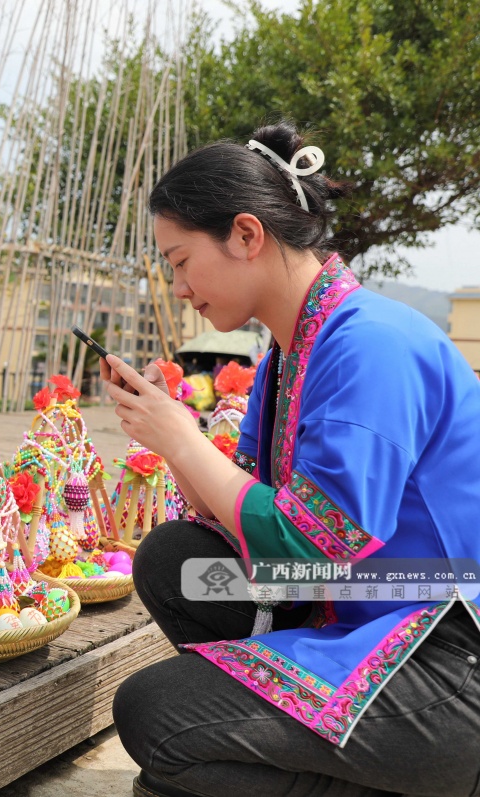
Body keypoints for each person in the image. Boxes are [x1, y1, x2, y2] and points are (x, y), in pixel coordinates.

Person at [103, 121, 480, 797]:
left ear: (247, 235)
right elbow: (253, 515)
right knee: (178, 563)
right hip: (364, 604)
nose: (180, 287)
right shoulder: (291, 353)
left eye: (182, 260)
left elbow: (312, 545)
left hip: (447, 659)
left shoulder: (370, 345)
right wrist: (173, 436)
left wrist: (184, 440)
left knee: (155, 715)